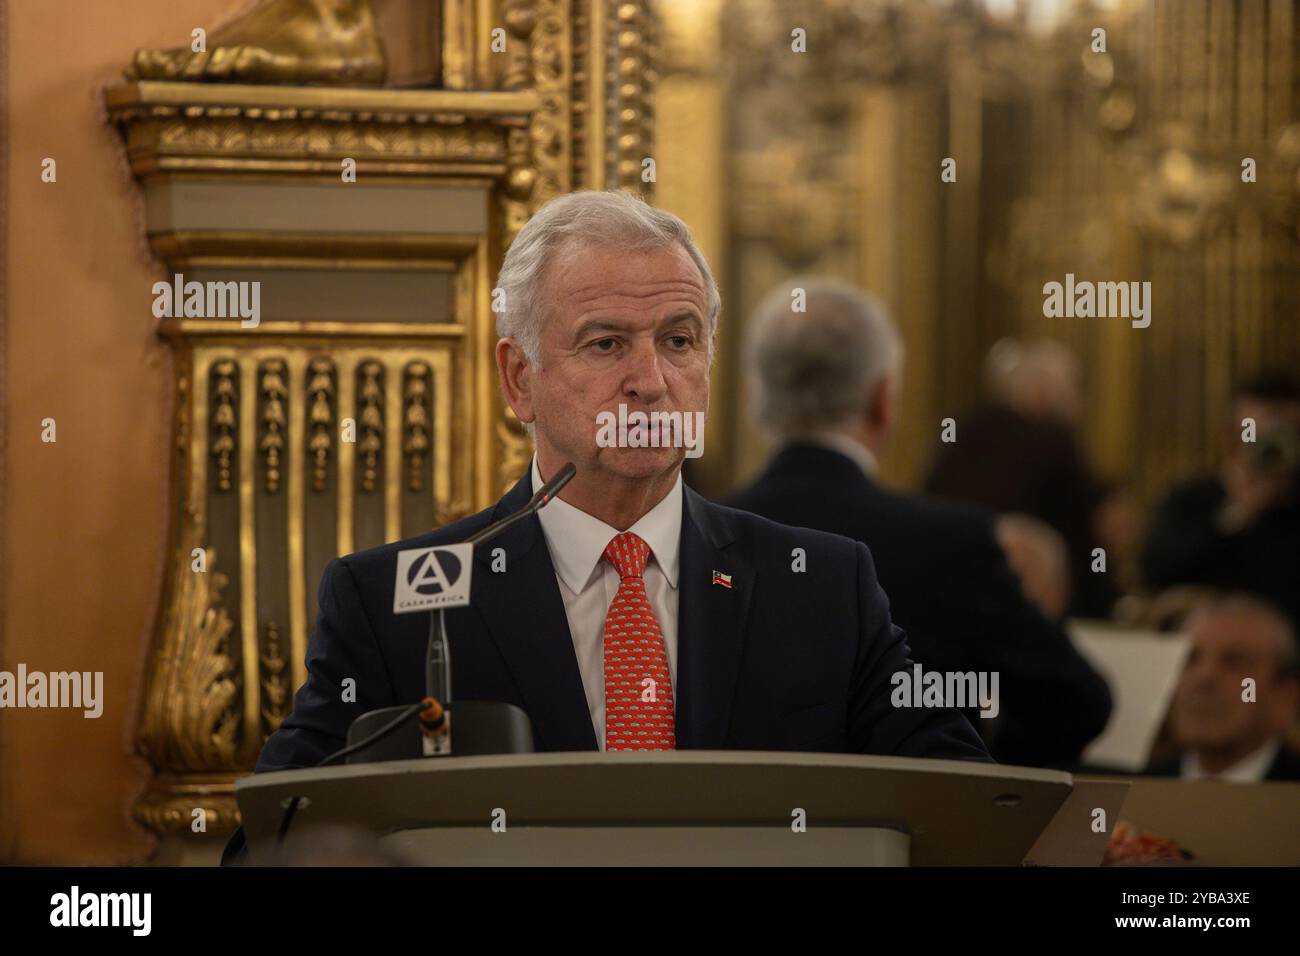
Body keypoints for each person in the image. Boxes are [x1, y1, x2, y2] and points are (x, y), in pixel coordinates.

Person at [222, 192, 989, 863]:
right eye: (606, 343)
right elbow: (274, 843)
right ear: (520, 379)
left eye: (679, 341)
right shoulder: (389, 603)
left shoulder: (823, 585)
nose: (651, 382)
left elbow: (964, 812)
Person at [726, 279, 1111, 767]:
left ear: (753, 397)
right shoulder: (952, 542)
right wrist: (981, 757)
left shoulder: (696, 536)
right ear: (884, 398)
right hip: (917, 837)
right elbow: (1080, 704)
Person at [923, 338, 1117, 618]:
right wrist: (1104, 607)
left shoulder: (961, 431)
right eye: (1072, 388)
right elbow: (1081, 539)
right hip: (1024, 607)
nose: (1079, 403)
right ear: (1041, 393)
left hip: (945, 601)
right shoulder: (1054, 441)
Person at [1141, 370, 1300, 627]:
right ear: (1230, 435)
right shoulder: (1193, 498)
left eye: (1286, 434)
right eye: (1255, 434)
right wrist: (1237, 515)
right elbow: (1158, 571)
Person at [1145, 594, 1300, 782]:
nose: (1204, 677)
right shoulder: (1133, 790)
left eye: (1235, 662)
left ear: (1286, 697)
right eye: (1190, 659)